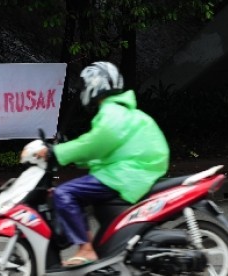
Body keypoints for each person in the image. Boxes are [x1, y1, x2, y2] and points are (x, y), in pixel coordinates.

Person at [36, 61, 170, 266]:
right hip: (128, 171)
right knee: (79, 191)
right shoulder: (122, 111)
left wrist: (57, 152)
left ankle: (86, 249)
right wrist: (71, 154)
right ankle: (100, 251)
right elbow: (101, 150)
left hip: (125, 174)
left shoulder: (111, 113)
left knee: (64, 193)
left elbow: (94, 143)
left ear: (95, 84)